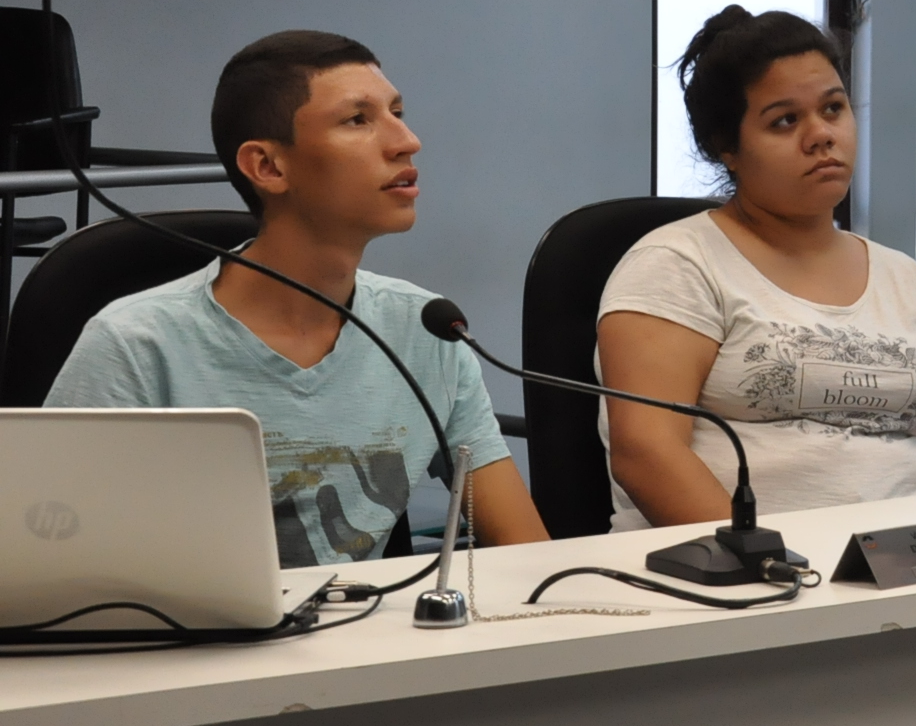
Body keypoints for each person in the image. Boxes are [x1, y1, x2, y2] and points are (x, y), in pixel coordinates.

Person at [47, 31, 549, 567]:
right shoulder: (135, 345)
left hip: (371, 643)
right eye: (358, 119)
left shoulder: (428, 329)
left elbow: (527, 555)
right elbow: (50, 559)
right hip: (193, 646)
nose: (406, 140)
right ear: (268, 167)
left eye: (397, 112)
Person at [597, 6, 916, 528]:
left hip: (902, 574)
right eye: (784, 121)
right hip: (745, 581)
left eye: (833, 109)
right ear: (726, 148)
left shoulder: (908, 281)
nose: (820, 135)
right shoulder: (675, 266)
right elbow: (647, 455)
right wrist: (776, 570)